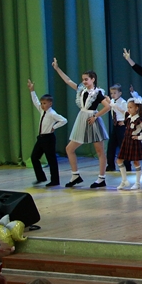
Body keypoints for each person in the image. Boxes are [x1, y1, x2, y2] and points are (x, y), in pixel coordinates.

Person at [51, 59, 112, 188]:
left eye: (86, 79)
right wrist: (57, 68)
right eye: (83, 79)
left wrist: (95, 116)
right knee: (69, 149)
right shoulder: (81, 90)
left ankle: (101, 178)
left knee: (100, 151)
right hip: (82, 119)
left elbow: (107, 107)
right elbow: (68, 81)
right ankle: (75, 175)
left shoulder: (97, 93)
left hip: (92, 120)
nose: (84, 82)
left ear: (93, 79)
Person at [26, 80, 67, 187]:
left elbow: (64, 120)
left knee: (51, 159)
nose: (42, 105)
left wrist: (54, 127)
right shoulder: (42, 111)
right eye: (42, 103)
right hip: (41, 138)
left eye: (44, 103)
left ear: (50, 104)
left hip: (48, 138)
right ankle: (41, 177)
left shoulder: (52, 113)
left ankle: (55, 180)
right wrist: (32, 90)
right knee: (34, 157)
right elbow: (35, 101)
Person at [116, 97, 142, 190]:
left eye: (131, 107)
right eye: (128, 107)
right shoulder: (128, 117)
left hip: (134, 142)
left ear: (136, 108)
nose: (129, 109)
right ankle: (124, 180)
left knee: (136, 162)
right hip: (126, 141)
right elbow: (120, 110)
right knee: (119, 160)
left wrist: (139, 137)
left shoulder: (139, 120)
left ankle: (137, 183)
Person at [105, 84, 128, 173]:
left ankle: (127, 166)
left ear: (120, 93)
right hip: (115, 125)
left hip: (122, 126)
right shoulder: (112, 101)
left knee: (123, 146)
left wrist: (125, 122)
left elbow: (126, 113)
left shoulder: (123, 102)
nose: (113, 95)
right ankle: (110, 165)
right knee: (111, 146)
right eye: (111, 93)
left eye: (115, 93)